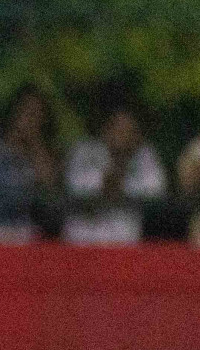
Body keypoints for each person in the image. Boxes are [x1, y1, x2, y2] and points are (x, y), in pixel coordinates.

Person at [64, 84, 165, 245]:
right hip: (82, 244)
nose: (122, 134)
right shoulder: (85, 150)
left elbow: (155, 192)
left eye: (128, 129)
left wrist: (124, 158)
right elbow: (79, 188)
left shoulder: (145, 155)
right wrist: (116, 162)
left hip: (124, 245)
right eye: (117, 127)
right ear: (105, 127)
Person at [0, 84, 62, 242]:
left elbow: (50, 185)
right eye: (27, 112)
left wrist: (34, 143)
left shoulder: (37, 152)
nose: (30, 119)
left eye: (37, 115)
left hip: (22, 229)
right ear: (14, 112)